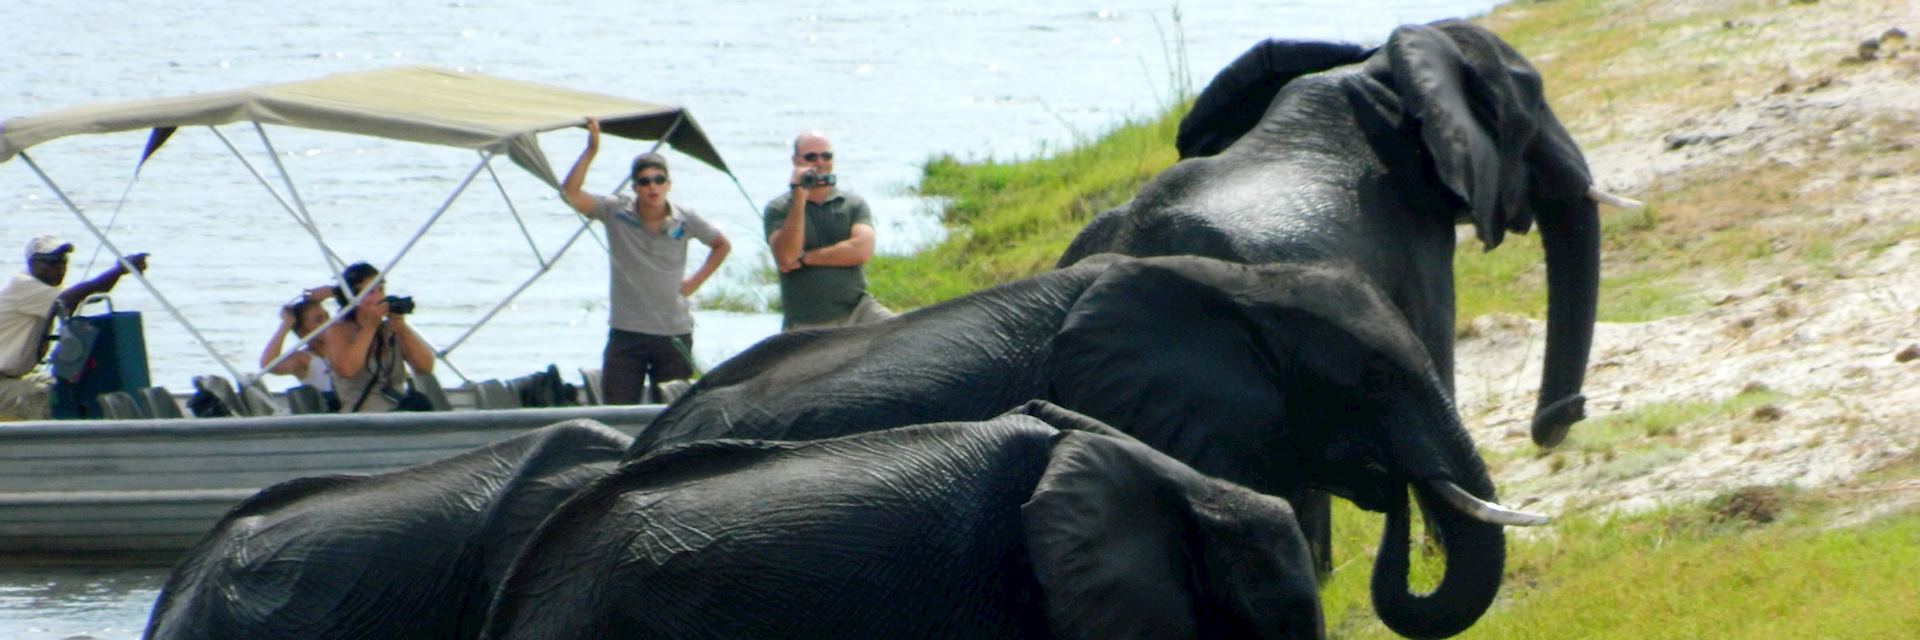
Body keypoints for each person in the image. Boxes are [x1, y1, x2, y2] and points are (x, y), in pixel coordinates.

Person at [562, 116, 731, 405]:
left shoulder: (684, 218)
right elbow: (570, 194)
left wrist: (694, 282)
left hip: (673, 332)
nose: (652, 187)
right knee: (617, 410)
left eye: (659, 180)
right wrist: (591, 151)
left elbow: (721, 244)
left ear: (668, 184)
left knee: (671, 413)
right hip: (626, 334)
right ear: (635, 187)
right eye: (644, 182)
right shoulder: (616, 211)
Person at [0, 236, 148, 420]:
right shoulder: (22, 285)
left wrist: (119, 273)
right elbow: (71, 297)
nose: (59, 267)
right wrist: (118, 270)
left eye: (63, 261)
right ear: (32, 264)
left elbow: (90, 291)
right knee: (48, 397)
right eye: (50, 262)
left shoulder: (47, 292)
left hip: (13, 378)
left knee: (70, 387)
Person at [764, 130, 894, 331]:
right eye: (811, 157)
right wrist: (799, 198)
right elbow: (787, 256)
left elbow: (862, 250)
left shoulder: (853, 204)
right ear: (796, 160)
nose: (820, 162)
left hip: (858, 310)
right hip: (807, 322)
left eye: (826, 156)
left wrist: (806, 258)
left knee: (904, 333)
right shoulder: (779, 209)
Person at [317, 262, 435, 413]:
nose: (379, 297)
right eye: (370, 292)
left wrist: (402, 329)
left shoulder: (390, 329)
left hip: (399, 411)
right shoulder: (338, 330)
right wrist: (370, 327)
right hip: (362, 416)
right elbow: (347, 369)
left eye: (381, 290)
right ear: (353, 298)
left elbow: (425, 367)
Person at [259, 285, 339, 411]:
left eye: (327, 317)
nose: (327, 323)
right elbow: (268, 364)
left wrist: (332, 292)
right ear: (303, 331)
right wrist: (286, 325)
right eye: (318, 320)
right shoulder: (304, 359)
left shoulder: (345, 346)